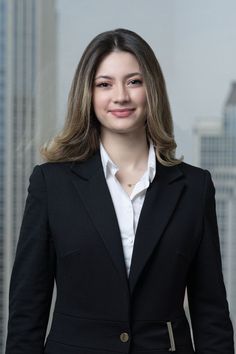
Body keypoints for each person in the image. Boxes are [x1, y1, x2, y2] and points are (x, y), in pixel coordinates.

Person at [5, 28, 234, 354]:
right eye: (104, 84)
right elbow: (28, 308)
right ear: (88, 94)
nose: (120, 96)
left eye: (134, 81)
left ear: (151, 89)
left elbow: (211, 311)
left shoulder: (195, 188)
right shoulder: (50, 184)